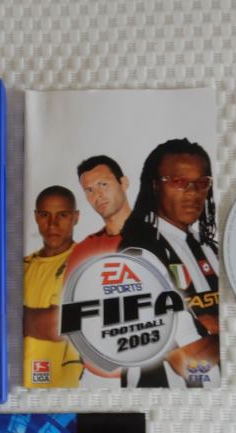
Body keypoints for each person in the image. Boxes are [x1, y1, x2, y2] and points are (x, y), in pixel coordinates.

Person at [118, 138, 220, 388]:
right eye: (179, 182)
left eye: (202, 183)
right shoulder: (138, 256)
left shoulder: (213, 250)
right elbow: (189, 362)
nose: (193, 192)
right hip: (160, 400)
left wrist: (214, 328)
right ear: (155, 186)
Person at [23, 186, 83, 388]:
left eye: (62, 215)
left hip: (58, 389)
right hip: (16, 385)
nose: (52, 224)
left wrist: (5, 318)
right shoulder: (22, 266)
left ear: (75, 217)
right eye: (44, 215)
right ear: (36, 217)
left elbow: (56, 326)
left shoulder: (84, 262)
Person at [64, 155, 132, 277]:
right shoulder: (83, 253)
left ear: (123, 183)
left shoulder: (158, 236)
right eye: (89, 190)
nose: (97, 195)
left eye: (103, 184)